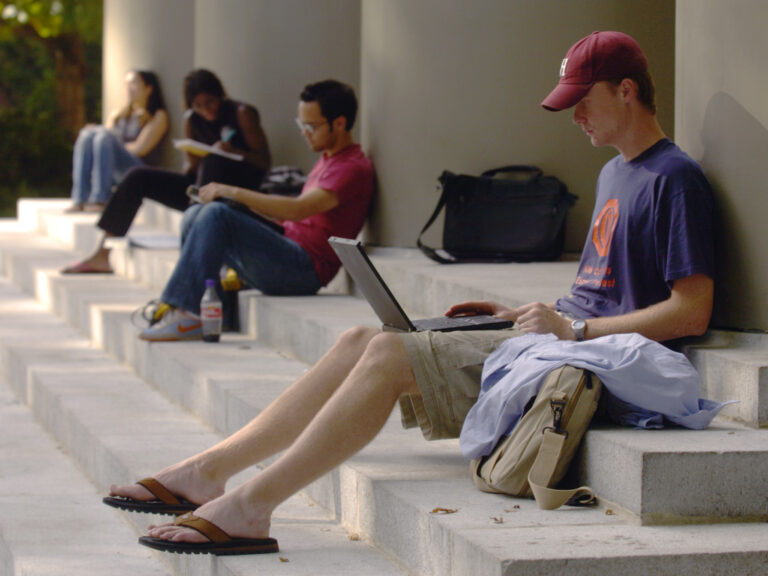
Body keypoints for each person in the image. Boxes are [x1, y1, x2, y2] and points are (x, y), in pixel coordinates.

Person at [104, 31, 714, 555]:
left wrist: (572, 331)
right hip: (556, 342)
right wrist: (521, 317)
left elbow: (692, 311)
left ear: (626, 90)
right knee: (357, 338)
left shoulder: (675, 178)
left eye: (583, 102)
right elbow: (598, 291)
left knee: (389, 355)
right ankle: (208, 472)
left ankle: (251, 507)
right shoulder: (613, 171)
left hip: (592, 363)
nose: (575, 117)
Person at [137, 79, 375, 342]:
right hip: (286, 246)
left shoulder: (352, 168)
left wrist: (231, 191)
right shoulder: (328, 159)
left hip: (304, 270)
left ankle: (187, 310)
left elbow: (297, 210)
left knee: (218, 215)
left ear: (339, 123)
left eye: (311, 126)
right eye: (301, 124)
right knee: (198, 212)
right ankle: (215, 310)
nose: (304, 132)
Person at [61, 69, 271, 274]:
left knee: (213, 162)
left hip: (235, 190)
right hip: (200, 191)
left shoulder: (241, 113)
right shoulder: (191, 119)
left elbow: (263, 162)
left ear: (220, 95)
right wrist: (194, 155)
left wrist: (232, 152)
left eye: (210, 102)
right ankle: (102, 254)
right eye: (199, 106)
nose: (207, 110)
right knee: (137, 177)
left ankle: (192, 252)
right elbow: (193, 169)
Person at [67, 70, 168, 213]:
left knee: (103, 137)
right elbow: (101, 145)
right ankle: (79, 198)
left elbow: (140, 148)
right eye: (127, 83)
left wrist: (113, 144)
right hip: (113, 171)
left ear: (149, 88)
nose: (129, 88)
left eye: (134, 83)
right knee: (87, 135)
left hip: (139, 170)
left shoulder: (158, 116)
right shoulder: (119, 114)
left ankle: (101, 199)